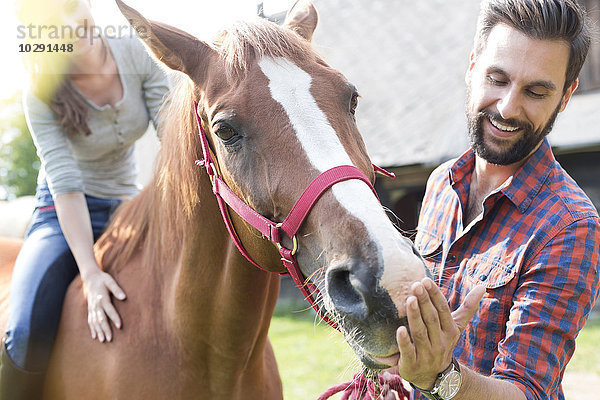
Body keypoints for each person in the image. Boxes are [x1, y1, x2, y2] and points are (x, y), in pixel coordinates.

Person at [386, 1, 600, 399]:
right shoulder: (439, 185)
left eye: (536, 92)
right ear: (472, 66)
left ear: (566, 96)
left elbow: (527, 391)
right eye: (497, 79)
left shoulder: (570, 226)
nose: (507, 107)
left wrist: (439, 378)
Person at [0, 0, 170, 398]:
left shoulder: (136, 51)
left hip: (129, 207)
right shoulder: (40, 94)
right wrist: (91, 274)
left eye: (72, 8)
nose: (71, 25)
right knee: (25, 330)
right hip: (61, 214)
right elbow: (66, 186)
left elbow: (174, 139)